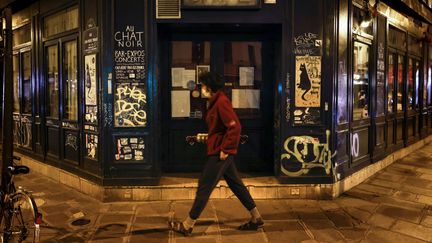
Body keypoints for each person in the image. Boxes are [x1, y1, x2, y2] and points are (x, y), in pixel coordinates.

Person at [169, 72, 264, 236]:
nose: (202, 88)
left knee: (204, 187)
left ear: (209, 87)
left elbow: (235, 126)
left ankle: (188, 225)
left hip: (220, 153)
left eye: (203, 86)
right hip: (219, 150)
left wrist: (226, 150)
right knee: (237, 185)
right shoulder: (213, 102)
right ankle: (256, 217)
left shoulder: (221, 102)